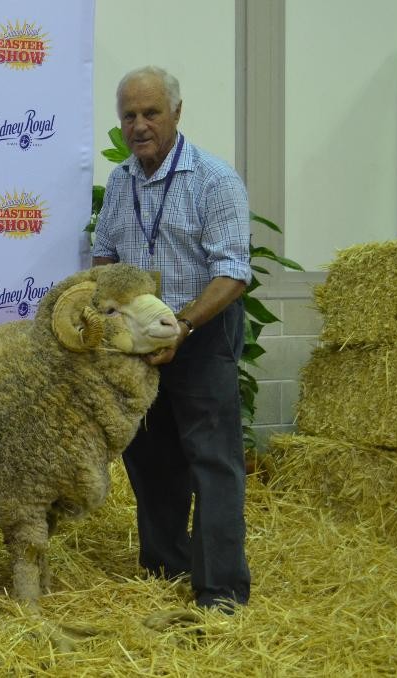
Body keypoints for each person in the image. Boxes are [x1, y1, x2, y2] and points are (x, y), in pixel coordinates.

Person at [91, 66, 252, 611]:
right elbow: (105, 251)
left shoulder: (214, 179)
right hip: (140, 342)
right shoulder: (121, 181)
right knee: (150, 457)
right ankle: (164, 565)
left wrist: (182, 325)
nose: (139, 126)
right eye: (129, 116)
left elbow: (233, 271)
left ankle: (221, 589)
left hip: (200, 332)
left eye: (151, 113)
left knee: (213, 460)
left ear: (176, 114)